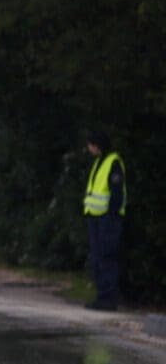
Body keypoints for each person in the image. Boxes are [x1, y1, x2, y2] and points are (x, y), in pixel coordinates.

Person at [83, 129, 126, 311]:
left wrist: (111, 215)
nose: (88, 148)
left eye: (90, 144)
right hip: (96, 217)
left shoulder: (112, 162)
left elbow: (115, 193)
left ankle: (108, 299)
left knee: (107, 257)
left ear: (96, 145)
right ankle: (102, 296)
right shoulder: (99, 162)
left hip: (107, 218)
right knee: (98, 258)